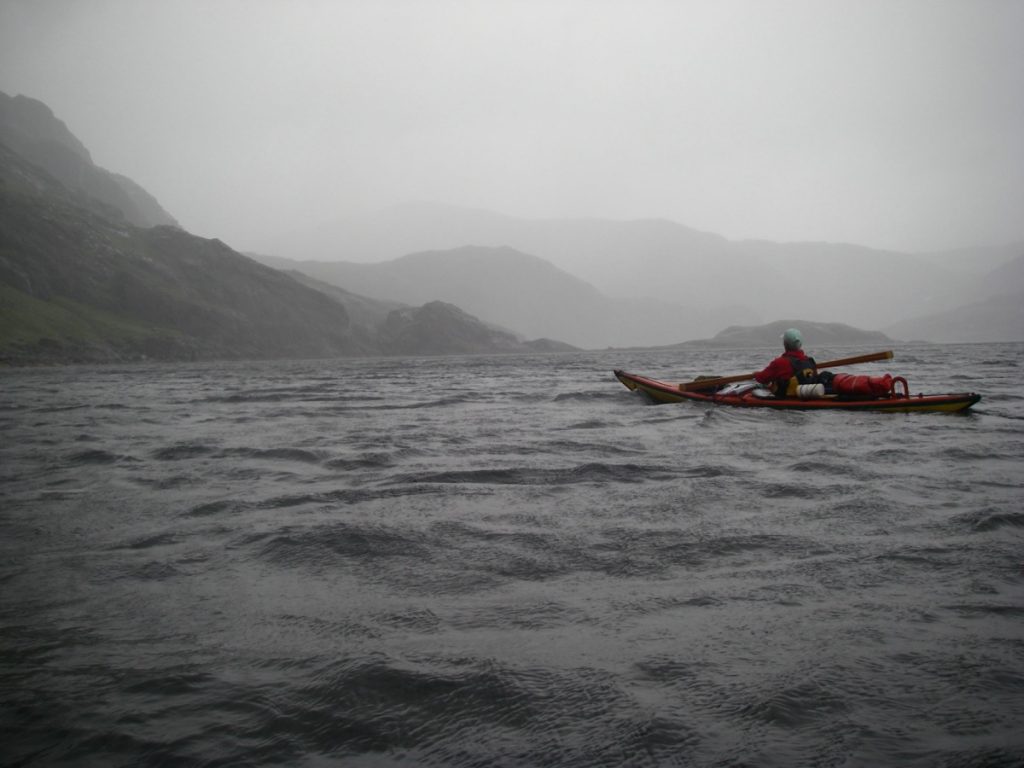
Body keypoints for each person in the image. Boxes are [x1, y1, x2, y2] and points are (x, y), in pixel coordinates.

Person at [753, 328, 818, 396]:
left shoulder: (779, 363)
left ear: (784, 344)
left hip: (786, 397)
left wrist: (756, 374)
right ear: (801, 344)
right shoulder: (810, 361)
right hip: (806, 395)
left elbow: (762, 378)